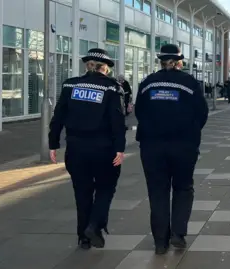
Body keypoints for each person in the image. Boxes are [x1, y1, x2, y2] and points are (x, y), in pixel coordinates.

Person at [48, 48, 126, 250]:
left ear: (87, 65)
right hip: (103, 148)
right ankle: (94, 226)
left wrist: (53, 144)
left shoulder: (70, 85)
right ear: (105, 68)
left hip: (75, 148)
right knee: (106, 188)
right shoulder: (111, 88)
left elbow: (58, 116)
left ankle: (84, 237)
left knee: (81, 192)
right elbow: (117, 120)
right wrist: (120, 148)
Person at [135, 44, 209, 255]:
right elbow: (201, 113)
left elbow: (139, 111)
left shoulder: (148, 83)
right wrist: (191, 133)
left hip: (152, 146)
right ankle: (178, 234)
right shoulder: (189, 82)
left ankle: (160, 242)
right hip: (183, 146)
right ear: (179, 62)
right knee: (183, 188)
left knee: (157, 192)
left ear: (160, 61)